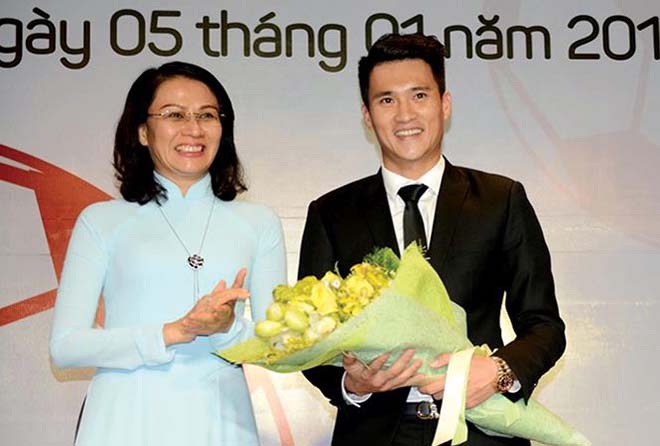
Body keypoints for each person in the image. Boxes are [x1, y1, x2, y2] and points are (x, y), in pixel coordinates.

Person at [298, 33, 566, 446]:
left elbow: (544, 325)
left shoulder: (500, 199)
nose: (404, 114)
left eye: (419, 95)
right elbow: (310, 341)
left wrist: (498, 371)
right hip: (374, 435)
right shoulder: (331, 212)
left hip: (481, 433)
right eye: (386, 100)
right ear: (367, 115)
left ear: (445, 104)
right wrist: (352, 384)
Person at [50, 61, 286, 445]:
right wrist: (174, 332)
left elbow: (279, 346)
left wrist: (226, 329)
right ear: (143, 132)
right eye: (175, 115)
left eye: (207, 115)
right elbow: (65, 347)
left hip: (222, 423)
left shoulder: (258, 222)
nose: (194, 129)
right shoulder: (102, 220)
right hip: (123, 420)